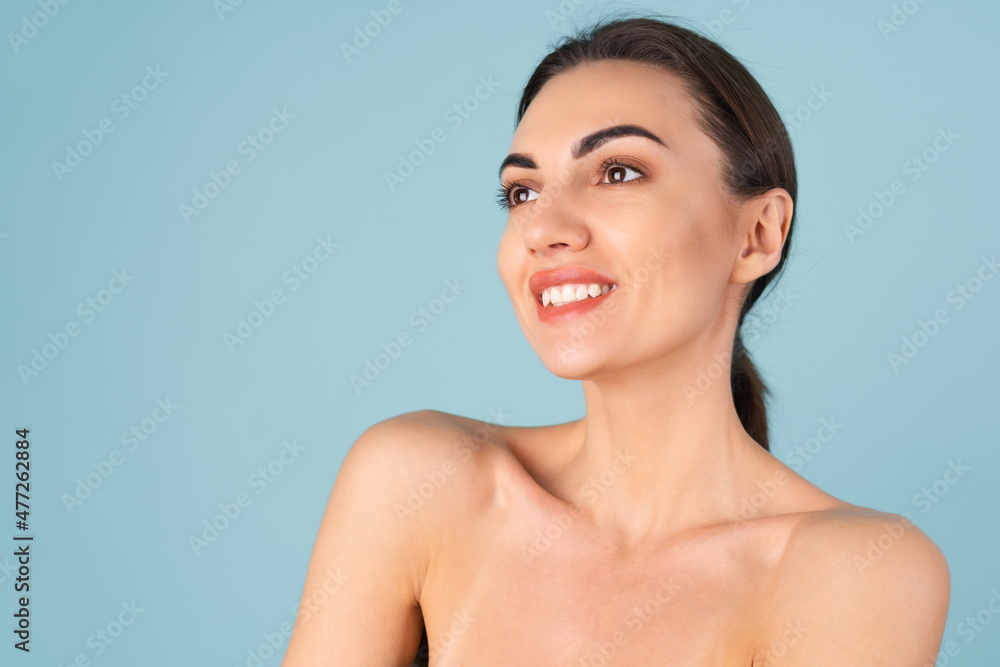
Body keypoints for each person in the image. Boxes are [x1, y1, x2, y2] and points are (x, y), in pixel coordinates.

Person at [282, 13, 950, 666]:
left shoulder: (858, 571)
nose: (543, 228)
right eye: (522, 192)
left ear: (757, 235)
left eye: (618, 172)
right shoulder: (415, 480)